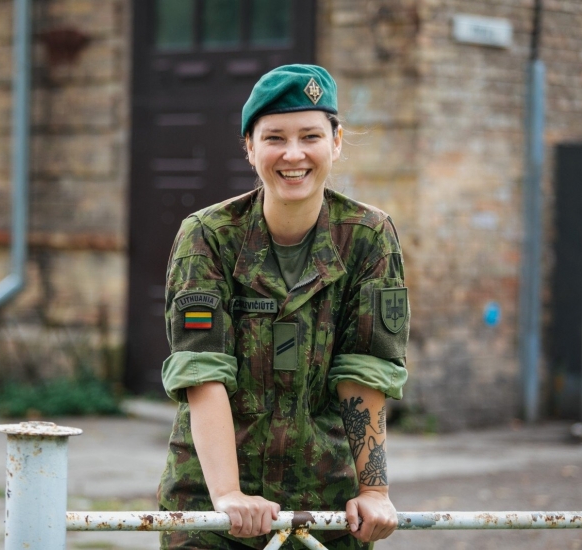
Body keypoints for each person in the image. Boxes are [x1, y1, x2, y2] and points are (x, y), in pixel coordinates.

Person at [157, 64, 410, 550]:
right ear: (250, 147)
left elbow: (365, 371)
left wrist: (374, 490)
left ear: (335, 142)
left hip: (326, 510)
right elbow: (203, 371)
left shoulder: (367, 237)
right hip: (209, 509)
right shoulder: (208, 236)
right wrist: (229, 494)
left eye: (310, 136)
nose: (293, 154)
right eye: (274, 137)